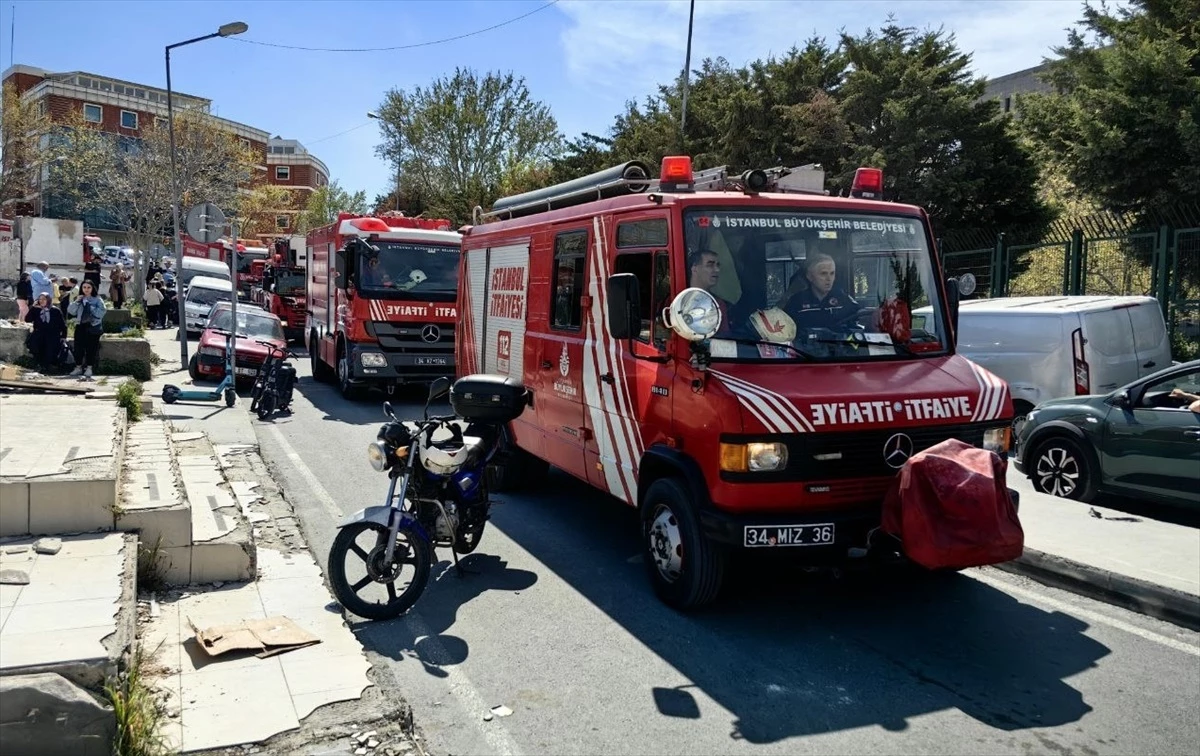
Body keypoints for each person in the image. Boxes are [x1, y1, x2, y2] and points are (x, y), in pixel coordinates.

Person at [779, 252, 861, 330]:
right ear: (810, 276)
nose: (829, 279)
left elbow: (857, 325)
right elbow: (784, 331)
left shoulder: (844, 300)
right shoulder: (796, 302)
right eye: (823, 274)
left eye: (832, 273)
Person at [687, 249, 733, 336]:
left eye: (718, 265)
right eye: (710, 265)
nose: (717, 270)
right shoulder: (677, 300)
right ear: (694, 268)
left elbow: (724, 339)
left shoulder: (718, 304)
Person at [68, 280, 106, 380]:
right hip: (81, 325)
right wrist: (77, 302)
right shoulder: (79, 298)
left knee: (91, 348)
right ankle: (78, 367)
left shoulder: (97, 299)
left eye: (88, 287)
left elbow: (101, 313)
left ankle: (89, 367)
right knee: (78, 347)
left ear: (92, 288)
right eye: (84, 287)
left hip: (93, 326)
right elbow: (71, 311)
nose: (86, 290)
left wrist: (90, 306)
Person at [24, 292, 68, 373]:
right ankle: (40, 366)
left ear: (48, 300)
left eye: (44, 299)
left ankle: (48, 367)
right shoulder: (36, 310)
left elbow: (63, 325)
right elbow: (27, 319)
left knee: (50, 351)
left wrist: (64, 336)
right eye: (40, 299)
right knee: (35, 347)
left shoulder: (55, 310)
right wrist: (33, 308)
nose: (42, 301)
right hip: (39, 334)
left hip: (52, 335)